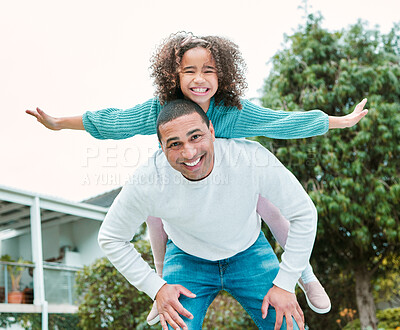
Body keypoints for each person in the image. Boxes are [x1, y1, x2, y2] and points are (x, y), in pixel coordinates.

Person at [26, 32, 368, 322]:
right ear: (174, 76)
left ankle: (305, 276)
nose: (198, 79)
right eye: (188, 71)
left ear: (223, 77)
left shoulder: (234, 112)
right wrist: (59, 123)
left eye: (208, 71)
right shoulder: (160, 110)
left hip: (236, 182)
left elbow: (282, 122)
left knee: (273, 207)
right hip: (184, 187)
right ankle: (163, 281)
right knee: (154, 212)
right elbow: (114, 122)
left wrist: (338, 121)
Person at [98, 99, 321, 329]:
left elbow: (304, 212)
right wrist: (156, 287)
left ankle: (308, 279)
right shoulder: (149, 180)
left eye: (196, 137)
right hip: (187, 258)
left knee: (288, 325)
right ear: (161, 147)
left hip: (248, 251)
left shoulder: (250, 158)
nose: (189, 152)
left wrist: (285, 284)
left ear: (212, 131)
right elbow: (111, 237)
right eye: (175, 144)